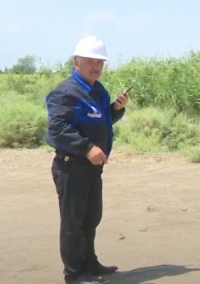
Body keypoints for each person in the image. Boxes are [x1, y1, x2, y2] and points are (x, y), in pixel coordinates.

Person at [46, 36, 129, 284]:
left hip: (93, 169)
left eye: (100, 62)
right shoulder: (66, 92)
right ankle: (74, 274)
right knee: (73, 223)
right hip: (71, 167)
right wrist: (87, 148)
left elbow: (100, 121)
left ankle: (90, 263)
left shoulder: (98, 90)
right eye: (90, 61)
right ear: (76, 62)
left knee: (91, 218)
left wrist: (116, 109)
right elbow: (57, 129)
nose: (96, 66)